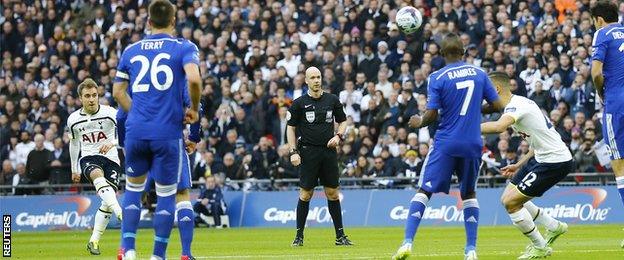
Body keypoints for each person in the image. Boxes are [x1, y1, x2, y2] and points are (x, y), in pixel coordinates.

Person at [392, 34, 503, 260]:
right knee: (469, 193)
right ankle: (471, 250)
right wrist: (474, 109)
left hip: (446, 143)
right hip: (472, 143)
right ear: (463, 52)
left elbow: (431, 114)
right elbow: (498, 105)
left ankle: (407, 243)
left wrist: (419, 122)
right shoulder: (480, 73)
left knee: (424, 190)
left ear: (441, 55)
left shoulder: (437, 77)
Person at [112, 0, 202, 259]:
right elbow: (194, 79)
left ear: (148, 22)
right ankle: (158, 255)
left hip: (136, 132)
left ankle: (128, 249)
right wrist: (193, 109)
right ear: (173, 21)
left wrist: (139, 113)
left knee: (133, 191)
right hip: (167, 135)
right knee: (167, 195)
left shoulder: (130, 50)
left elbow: (118, 92)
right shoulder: (184, 47)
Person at [481, 72, 574, 259]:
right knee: (507, 197)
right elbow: (537, 140)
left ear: (496, 89)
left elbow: (499, 127)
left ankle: (540, 247)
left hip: (554, 161)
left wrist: (463, 127)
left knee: (511, 203)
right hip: (539, 156)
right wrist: (519, 164)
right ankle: (554, 226)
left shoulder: (516, 106)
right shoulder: (519, 103)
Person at [286, 66, 353, 246]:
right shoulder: (299, 103)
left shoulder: (332, 100)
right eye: (312, 78)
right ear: (306, 81)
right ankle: (299, 237)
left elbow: (343, 121)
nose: (316, 80)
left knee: (332, 193)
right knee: (306, 194)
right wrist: (293, 151)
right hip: (308, 152)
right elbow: (290, 128)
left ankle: (340, 236)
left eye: (318, 77)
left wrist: (338, 136)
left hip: (328, 152)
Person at [67, 78, 123, 255]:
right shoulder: (73, 119)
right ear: (80, 98)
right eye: (87, 96)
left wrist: (113, 143)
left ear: (98, 95)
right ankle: (121, 213)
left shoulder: (110, 113)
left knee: (107, 201)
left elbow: (126, 133)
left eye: (94, 95)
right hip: (89, 157)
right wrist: (74, 168)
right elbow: (74, 144)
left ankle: (94, 241)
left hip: (112, 159)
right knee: (97, 177)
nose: (91, 99)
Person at [590, 1, 624, 248]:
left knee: (620, 167)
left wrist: (600, 92)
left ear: (599, 19)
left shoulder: (601, 34)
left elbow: (595, 72)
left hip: (616, 103)